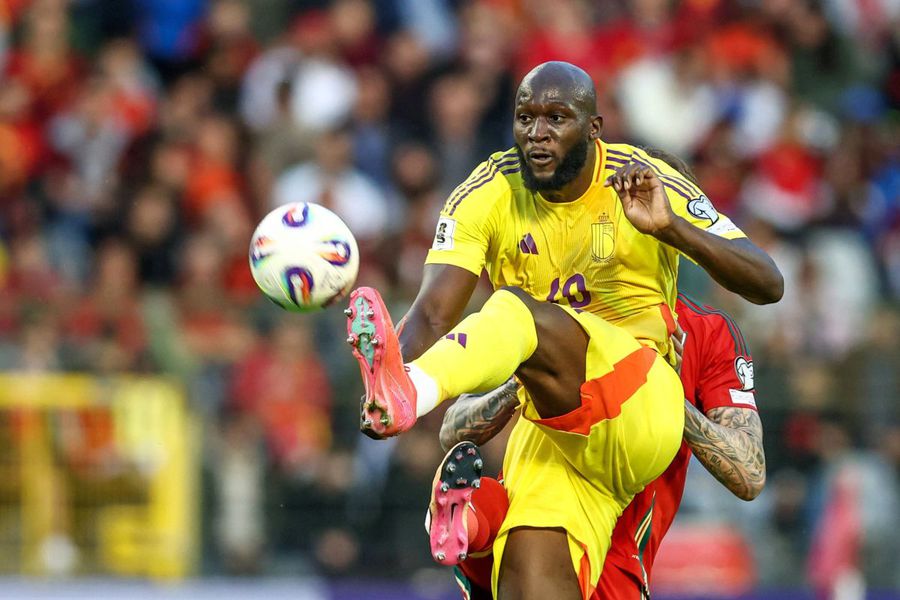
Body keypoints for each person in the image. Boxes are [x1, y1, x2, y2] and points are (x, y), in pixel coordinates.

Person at [345, 61, 782, 599]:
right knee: (525, 568)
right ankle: (474, 519)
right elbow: (434, 315)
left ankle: (456, 474)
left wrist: (671, 225)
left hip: (640, 402)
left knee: (514, 311)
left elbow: (768, 283)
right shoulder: (488, 192)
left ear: (593, 128)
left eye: (556, 117)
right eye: (525, 117)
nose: (537, 132)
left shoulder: (644, 197)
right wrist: (392, 380)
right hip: (556, 433)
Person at [432, 293, 766, 599]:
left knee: (498, 513)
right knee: (512, 510)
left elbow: (749, 473)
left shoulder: (706, 331)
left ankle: (473, 522)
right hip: (548, 522)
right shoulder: (551, 303)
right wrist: (524, 380)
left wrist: (662, 391)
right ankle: (475, 521)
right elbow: (453, 429)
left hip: (611, 545)